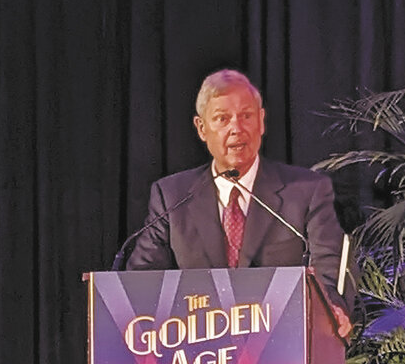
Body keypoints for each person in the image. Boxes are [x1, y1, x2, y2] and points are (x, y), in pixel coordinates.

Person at [127, 69, 353, 336]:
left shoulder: (306, 191)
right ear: (201, 128)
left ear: (261, 121)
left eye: (246, 116)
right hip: (197, 352)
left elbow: (329, 267)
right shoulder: (172, 196)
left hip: (282, 345)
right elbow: (139, 280)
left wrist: (332, 307)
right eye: (222, 119)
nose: (236, 128)